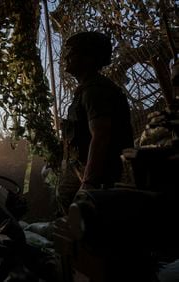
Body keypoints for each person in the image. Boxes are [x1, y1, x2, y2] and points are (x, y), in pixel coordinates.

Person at [57, 31, 134, 215]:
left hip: (98, 182)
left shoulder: (95, 90)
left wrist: (88, 184)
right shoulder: (87, 89)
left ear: (88, 58)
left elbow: (101, 135)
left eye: (72, 52)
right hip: (84, 174)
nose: (67, 57)